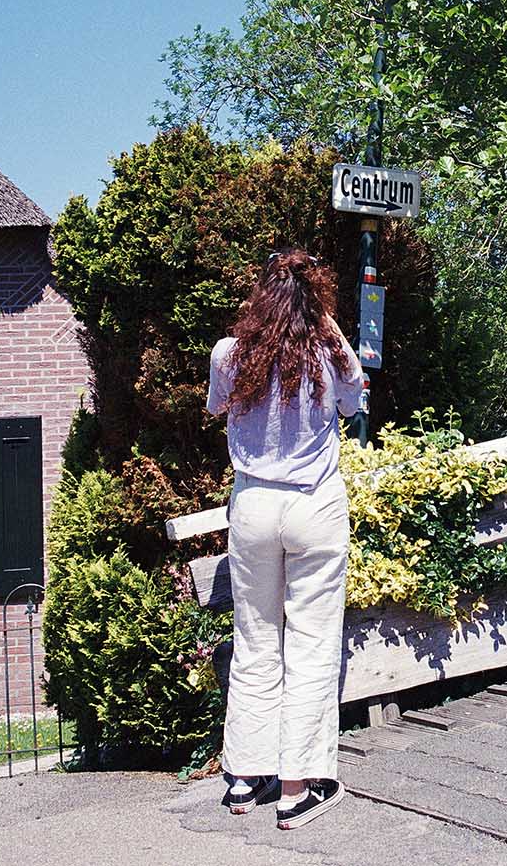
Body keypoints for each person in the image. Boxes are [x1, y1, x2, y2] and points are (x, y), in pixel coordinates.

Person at [206, 247, 364, 829]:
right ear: (316, 301)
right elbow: (353, 402)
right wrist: (328, 329)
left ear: (257, 302)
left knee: (255, 638)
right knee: (312, 642)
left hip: (252, 503)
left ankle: (245, 778)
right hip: (314, 503)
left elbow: (217, 405)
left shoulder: (231, 353)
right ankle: (298, 788)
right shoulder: (330, 352)